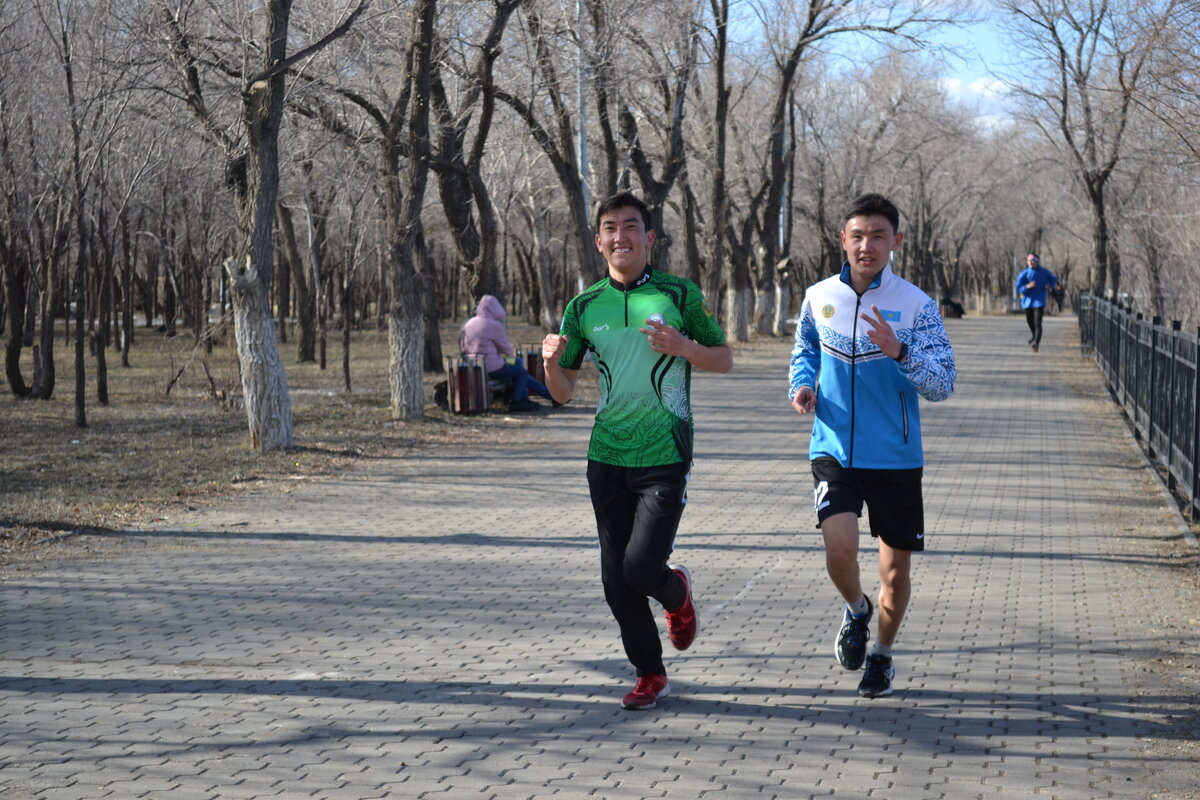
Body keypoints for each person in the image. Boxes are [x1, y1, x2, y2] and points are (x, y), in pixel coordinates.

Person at [541, 192, 733, 710]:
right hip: (605, 456)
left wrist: (685, 348)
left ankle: (677, 593)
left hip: (665, 450)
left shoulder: (678, 293)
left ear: (649, 238)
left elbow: (724, 359)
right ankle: (650, 673)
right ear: (599, 240)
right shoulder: (583, 306)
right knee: (614, 580)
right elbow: (561, 393)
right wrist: (550, 363)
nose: (620, 235)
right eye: (610, 227)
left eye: (631, 226)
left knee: (642, 567)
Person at [789, 193, 956, 699]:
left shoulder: (916, 306)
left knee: (895, 574)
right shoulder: (819, 296)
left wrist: (901, 352)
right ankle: (856, 610)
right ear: (843, 239)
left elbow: (943, 384)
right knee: (839, 547)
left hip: (896, 457)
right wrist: (801, 386)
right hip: (833, 446)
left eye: (878, 236)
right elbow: (806, 351)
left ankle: (881, 655)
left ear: (895, 242)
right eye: (857, 236)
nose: (867, 246)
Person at [460, 294, 552, 412]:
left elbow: (463, 344)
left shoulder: (469, 323)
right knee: (521, 372)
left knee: (517, 363)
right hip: (492, 367)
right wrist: (510, 356)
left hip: (473, 365)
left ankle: (527, 399)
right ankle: (518, 402)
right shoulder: (494, 325)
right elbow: (506, 349)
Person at [1015, 253, 1058, 351]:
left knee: (1037, 322)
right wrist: (1027, 286)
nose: (1030, 263)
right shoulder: (1024, 273)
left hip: (1039, 301)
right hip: (1028, 302)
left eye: (1032, 261)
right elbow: (1018, 287)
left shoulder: (1044, 272)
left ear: (1037, 261)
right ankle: (1034, 336)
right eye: (1029, 261)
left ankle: (1036, 343)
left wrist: (1049, 286)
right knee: (1030, 321)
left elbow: (1053, 279)